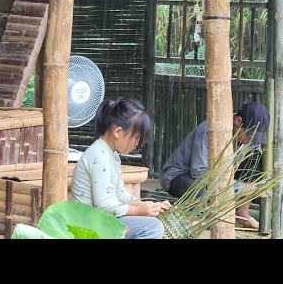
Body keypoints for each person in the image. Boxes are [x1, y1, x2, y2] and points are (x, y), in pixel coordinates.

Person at [159, 101, 270, 229]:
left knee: (255, 162)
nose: (251, 141)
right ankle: (207, 215)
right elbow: (199, 173)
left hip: (218, 176)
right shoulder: (210, 130)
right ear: (238, 121)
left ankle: (242, 213)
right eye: (250, 136)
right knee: (201, 189)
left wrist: (253, 186)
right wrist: (240, 187)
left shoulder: (246, 136)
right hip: (180, 177)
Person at [71, 98, 171, 239]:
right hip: (88, 226)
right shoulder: (99, 157)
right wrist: (137, 210)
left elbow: (120, 194)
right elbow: (104, 205)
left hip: (99, 221)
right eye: (136, 138)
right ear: (118, 132)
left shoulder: (110, 155)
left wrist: (149, 205)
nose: (137, 144)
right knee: (153, 227)